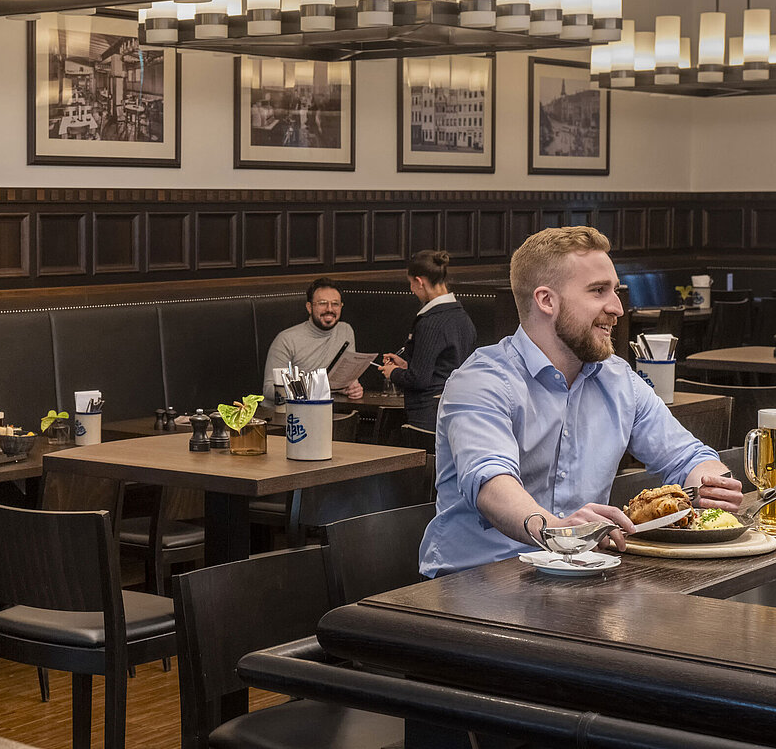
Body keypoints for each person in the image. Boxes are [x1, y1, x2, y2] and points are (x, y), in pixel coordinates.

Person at [419, 226, 741, 578]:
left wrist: (713, 485)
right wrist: (557, 530)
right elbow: (491, 483)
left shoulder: (618, 379)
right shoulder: (481, 380)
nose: (617, 308)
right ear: (546, 300)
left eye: (615, 290)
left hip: (581, 575)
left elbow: (687, 457)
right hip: (471, 585)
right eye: (598, 291)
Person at [378, 249, 478, 438]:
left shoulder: (429, 322)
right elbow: (444, 366)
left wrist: (393, 373)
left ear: (419, 281)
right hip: (459, 412)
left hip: (428, 415)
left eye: (411, 283)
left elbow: (419, 380)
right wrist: (407, 365)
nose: (411, 289)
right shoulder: (463, 317)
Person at [262, 277, 364, 403]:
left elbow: (347, 377)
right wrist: (320, 388)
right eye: (322, 303)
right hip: (289, 411)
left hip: (330, 407)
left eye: (335, 304)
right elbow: (270, 389)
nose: (329, 309)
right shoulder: (286, 340)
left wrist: (352, 388)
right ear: (309, 307)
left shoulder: (346, 331)